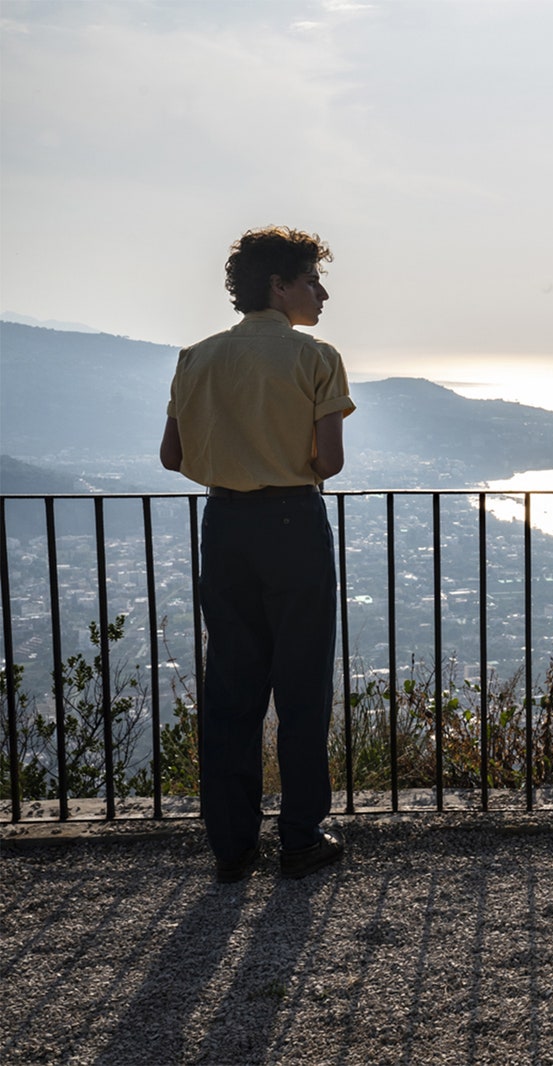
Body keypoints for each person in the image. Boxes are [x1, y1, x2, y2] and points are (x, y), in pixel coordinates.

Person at [160, 226, 355, 881]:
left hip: (225, 525)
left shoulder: (196, 357)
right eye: (310, 280)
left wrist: (234, 457)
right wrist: (284, 456)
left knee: (233, 690)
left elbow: (172, 455)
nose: (321, 294)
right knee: (301, 690)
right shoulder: (315, 357)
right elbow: (329, 460)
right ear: (279, 284)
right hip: (293, 523)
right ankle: (301, 839)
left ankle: (232, 846)